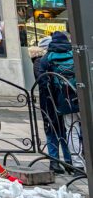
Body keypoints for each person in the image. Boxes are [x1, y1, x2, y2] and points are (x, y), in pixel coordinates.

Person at [36, 31, 78, 171]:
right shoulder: (73, 55)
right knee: (69, 130)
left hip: (50, 100)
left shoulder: (46, 58)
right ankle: (70, 161)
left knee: (51, 130)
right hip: (71, 99)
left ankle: (54, 161)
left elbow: (42, 81)